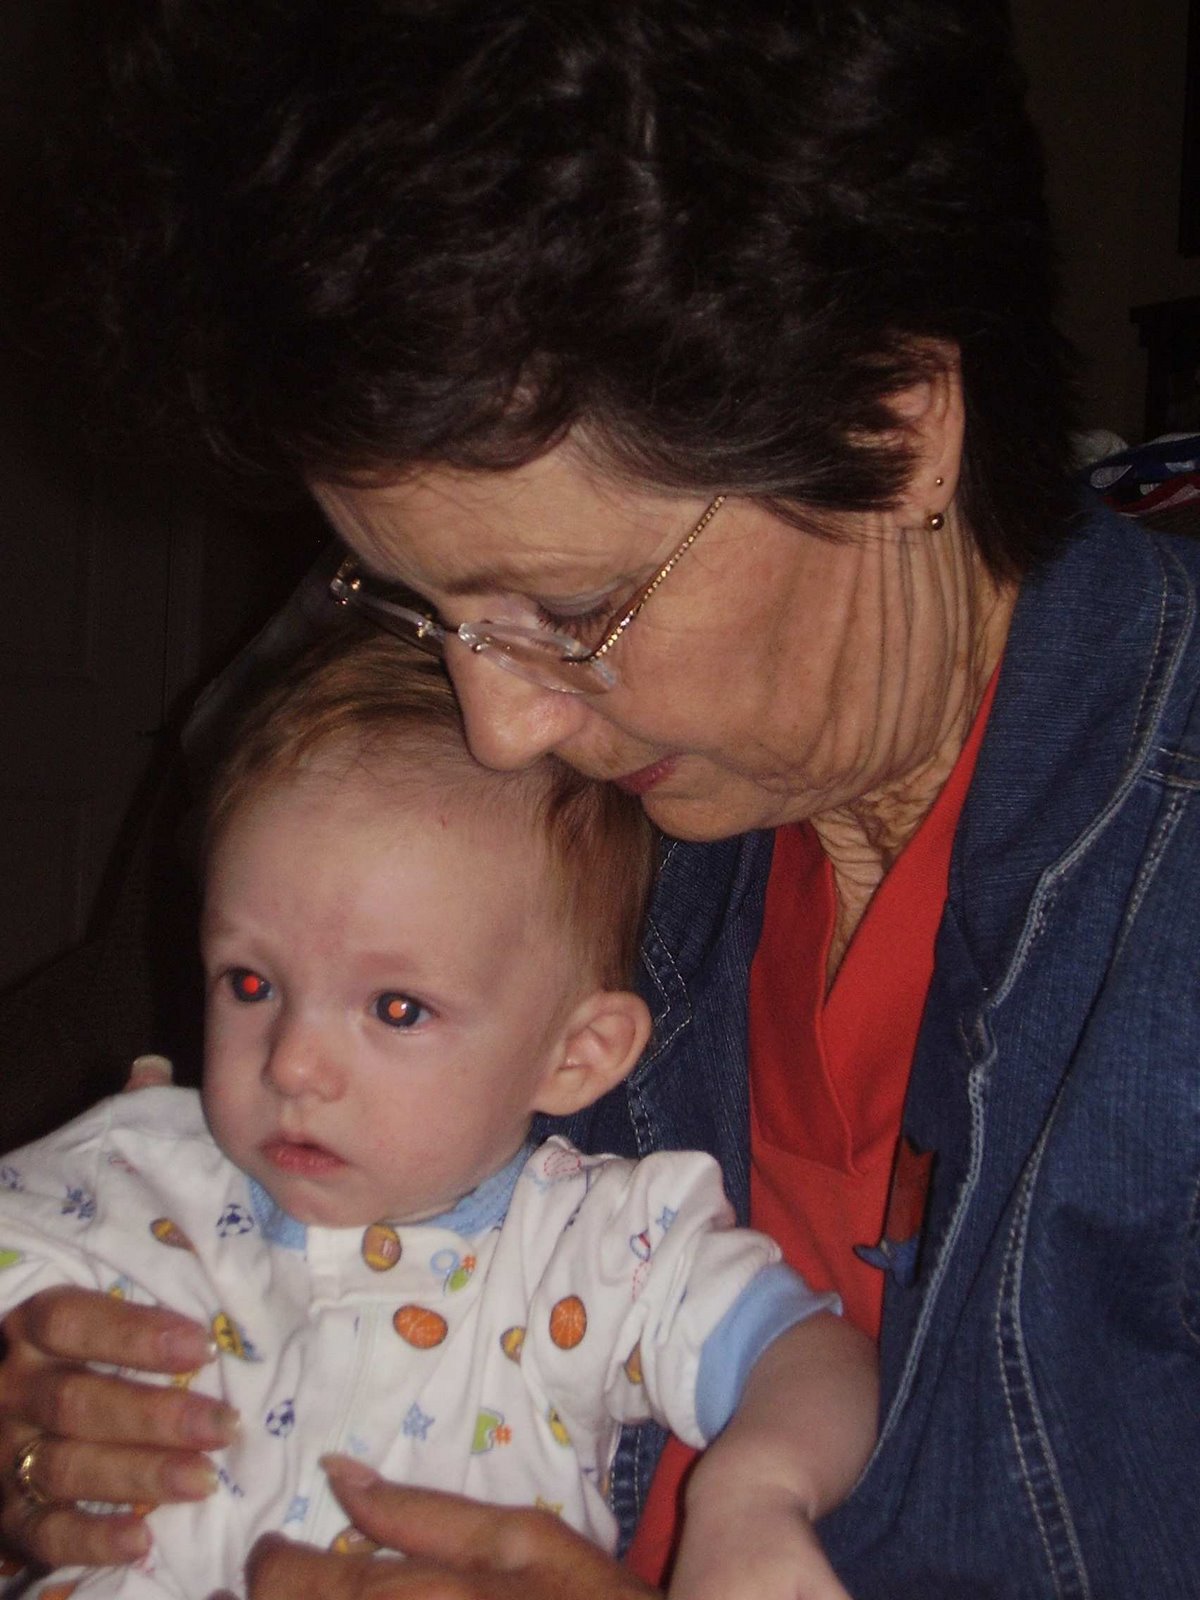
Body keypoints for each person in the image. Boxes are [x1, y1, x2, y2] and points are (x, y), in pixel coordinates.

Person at [2, 0, 1199, 1595]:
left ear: (894, 427)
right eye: (422, 606)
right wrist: (67, 1417)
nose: (499, 729)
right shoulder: (560, 831)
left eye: (570, 612)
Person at [0, 629, 875, 1600]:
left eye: (396, 1008)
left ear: (576, 1055)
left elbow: (809, 1354)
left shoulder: (585, 1250)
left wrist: (756, 1492)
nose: (291, 1063)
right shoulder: (138, 1166)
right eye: (250, 983)